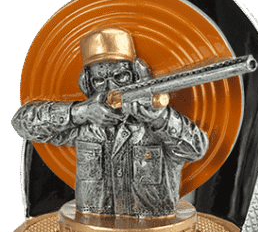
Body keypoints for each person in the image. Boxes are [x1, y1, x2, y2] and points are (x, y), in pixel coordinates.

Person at [12, 27, 209, 217]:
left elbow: (196, 149)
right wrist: (79, 112)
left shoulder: (158, 124)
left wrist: (160, 118)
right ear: (89, 84)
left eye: (120, 76)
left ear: (136, 75)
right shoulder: (86, 127)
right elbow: (22, 123)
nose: (111, 87)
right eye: (99, 80)